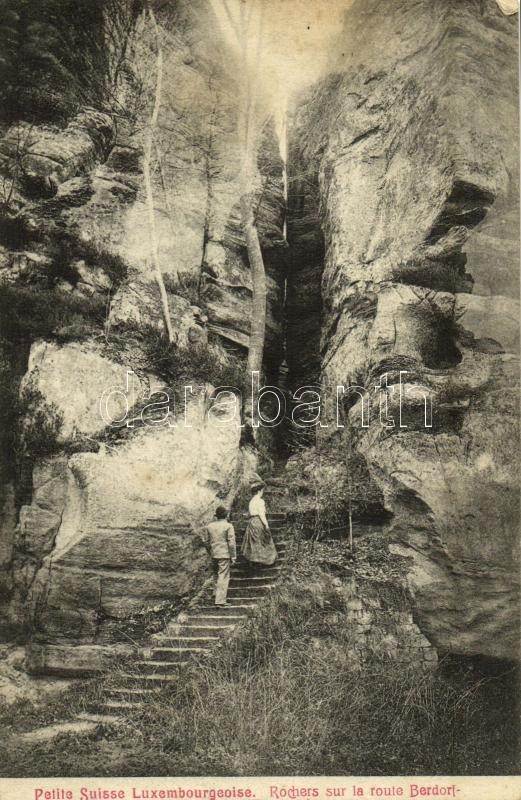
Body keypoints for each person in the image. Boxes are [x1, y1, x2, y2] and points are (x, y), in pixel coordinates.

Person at [204, 505, 236, 607]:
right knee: (223, 576)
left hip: (214, 554)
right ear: (226, 516)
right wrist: (233, 556)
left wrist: (210, 552)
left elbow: (206, 542)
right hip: (224, 554)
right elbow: (231, 543)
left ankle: (215, 595)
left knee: (215, 575)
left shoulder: (209, 526)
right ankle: (220, 601)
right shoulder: (228, 526)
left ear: (216, 516)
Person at [241, 481, 277, 569]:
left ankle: (254, 561)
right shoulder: (260, 501)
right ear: (259, 491)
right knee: (261, 540)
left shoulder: (251, 501)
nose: (262, 493)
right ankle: (263, 561)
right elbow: (261, 514)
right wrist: (266, 524)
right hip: (258, 521)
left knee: (254, 542)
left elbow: (250, 513)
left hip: (252, 522)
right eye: (262, 491)